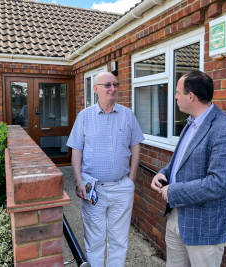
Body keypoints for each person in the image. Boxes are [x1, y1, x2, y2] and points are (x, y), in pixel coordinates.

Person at [151, 70, 226, 267]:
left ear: (190, 96)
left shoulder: (225, 128)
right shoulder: (191, 122)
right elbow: (180, 159)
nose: (175, 96)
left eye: (177, 92)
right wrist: (163, 173)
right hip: (177, 215)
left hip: (205, 226)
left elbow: (219, 184)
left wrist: (173, 191)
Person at [67, 72, 144, 267]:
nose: (113, 89)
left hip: (121, 187)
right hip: (93, 188)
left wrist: (131, 179)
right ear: (96, 89)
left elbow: (136, 146)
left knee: (119, 239)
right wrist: (78, 182)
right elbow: (76, 150)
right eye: (108, 85)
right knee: (94, 239)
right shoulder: (84, 116)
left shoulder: (127, 114)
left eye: (115, 85)